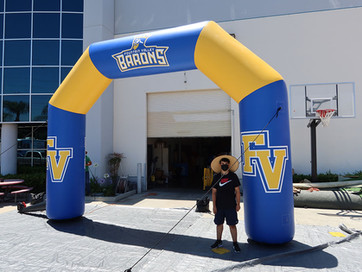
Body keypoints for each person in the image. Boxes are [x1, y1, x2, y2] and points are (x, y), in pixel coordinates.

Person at [210, 155, 241, 253]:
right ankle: (218, 241)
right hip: (219, 206)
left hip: (231, 205)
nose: (224, 165)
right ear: (220, 165)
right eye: (222, 164)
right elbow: (214, 192)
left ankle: (235, 243)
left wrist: (238, 204)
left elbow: (237, 191)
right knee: (219, 224)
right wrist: (214, 206)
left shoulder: (233, 176)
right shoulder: (216, 177)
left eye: (226, 164)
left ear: (229, 165)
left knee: (232, 225)